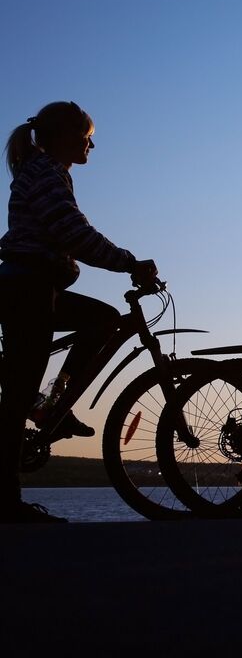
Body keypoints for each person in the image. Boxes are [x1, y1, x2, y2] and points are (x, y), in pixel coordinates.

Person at [0, 102, 157, 524]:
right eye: (88, 135)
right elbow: (73, 233)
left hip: (35, 285)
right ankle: (6, 497)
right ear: (67, 135)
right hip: (28, 287)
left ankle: (53, 404)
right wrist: (130, 263)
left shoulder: (47, 171)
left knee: (101, 320)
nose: (92, 144)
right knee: (17, 395)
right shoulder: (46, 172)